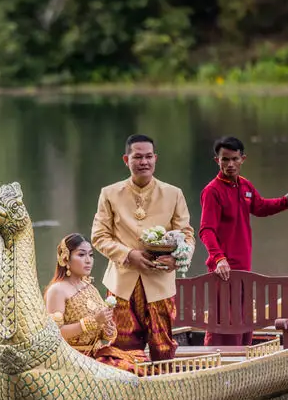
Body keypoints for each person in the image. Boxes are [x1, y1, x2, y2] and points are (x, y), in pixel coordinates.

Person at [91, 134, 195, 361]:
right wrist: (128, 255)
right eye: (137, 157)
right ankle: (129, 393)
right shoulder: (109, 194)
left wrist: (176, 260)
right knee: (122, 348)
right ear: (126, 159)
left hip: (160, 282)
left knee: (163, 347)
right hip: (121, 284)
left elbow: (187, 236)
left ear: (155, 158)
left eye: (148, 157)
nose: (144, 162)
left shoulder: (173, 193)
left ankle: (165, 391)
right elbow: (99, 237)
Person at [198, 135, 288, 346]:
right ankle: (216, 361)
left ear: (243, 159)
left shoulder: (245, 186)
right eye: (225, 159)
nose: (230, 164)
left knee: (244, 318)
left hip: (244, 270)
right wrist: (219, 258)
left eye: (234, 159)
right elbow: (206, 230)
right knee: (223, 321)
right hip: (223, 270)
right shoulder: (212, 191)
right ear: (217, 161)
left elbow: (261, 207)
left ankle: (243, 359)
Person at [44, 233, 147, 374]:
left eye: (91, 255)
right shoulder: (57, 290)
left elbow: (103, 331)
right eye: (81, 255)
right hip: (73, 359)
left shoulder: (89, 286)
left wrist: (107, 330)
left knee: (141, 361)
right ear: (65, 259)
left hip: (97, 355)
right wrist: (94, 321)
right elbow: (54, 334)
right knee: (130, 371)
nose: (88, 261)